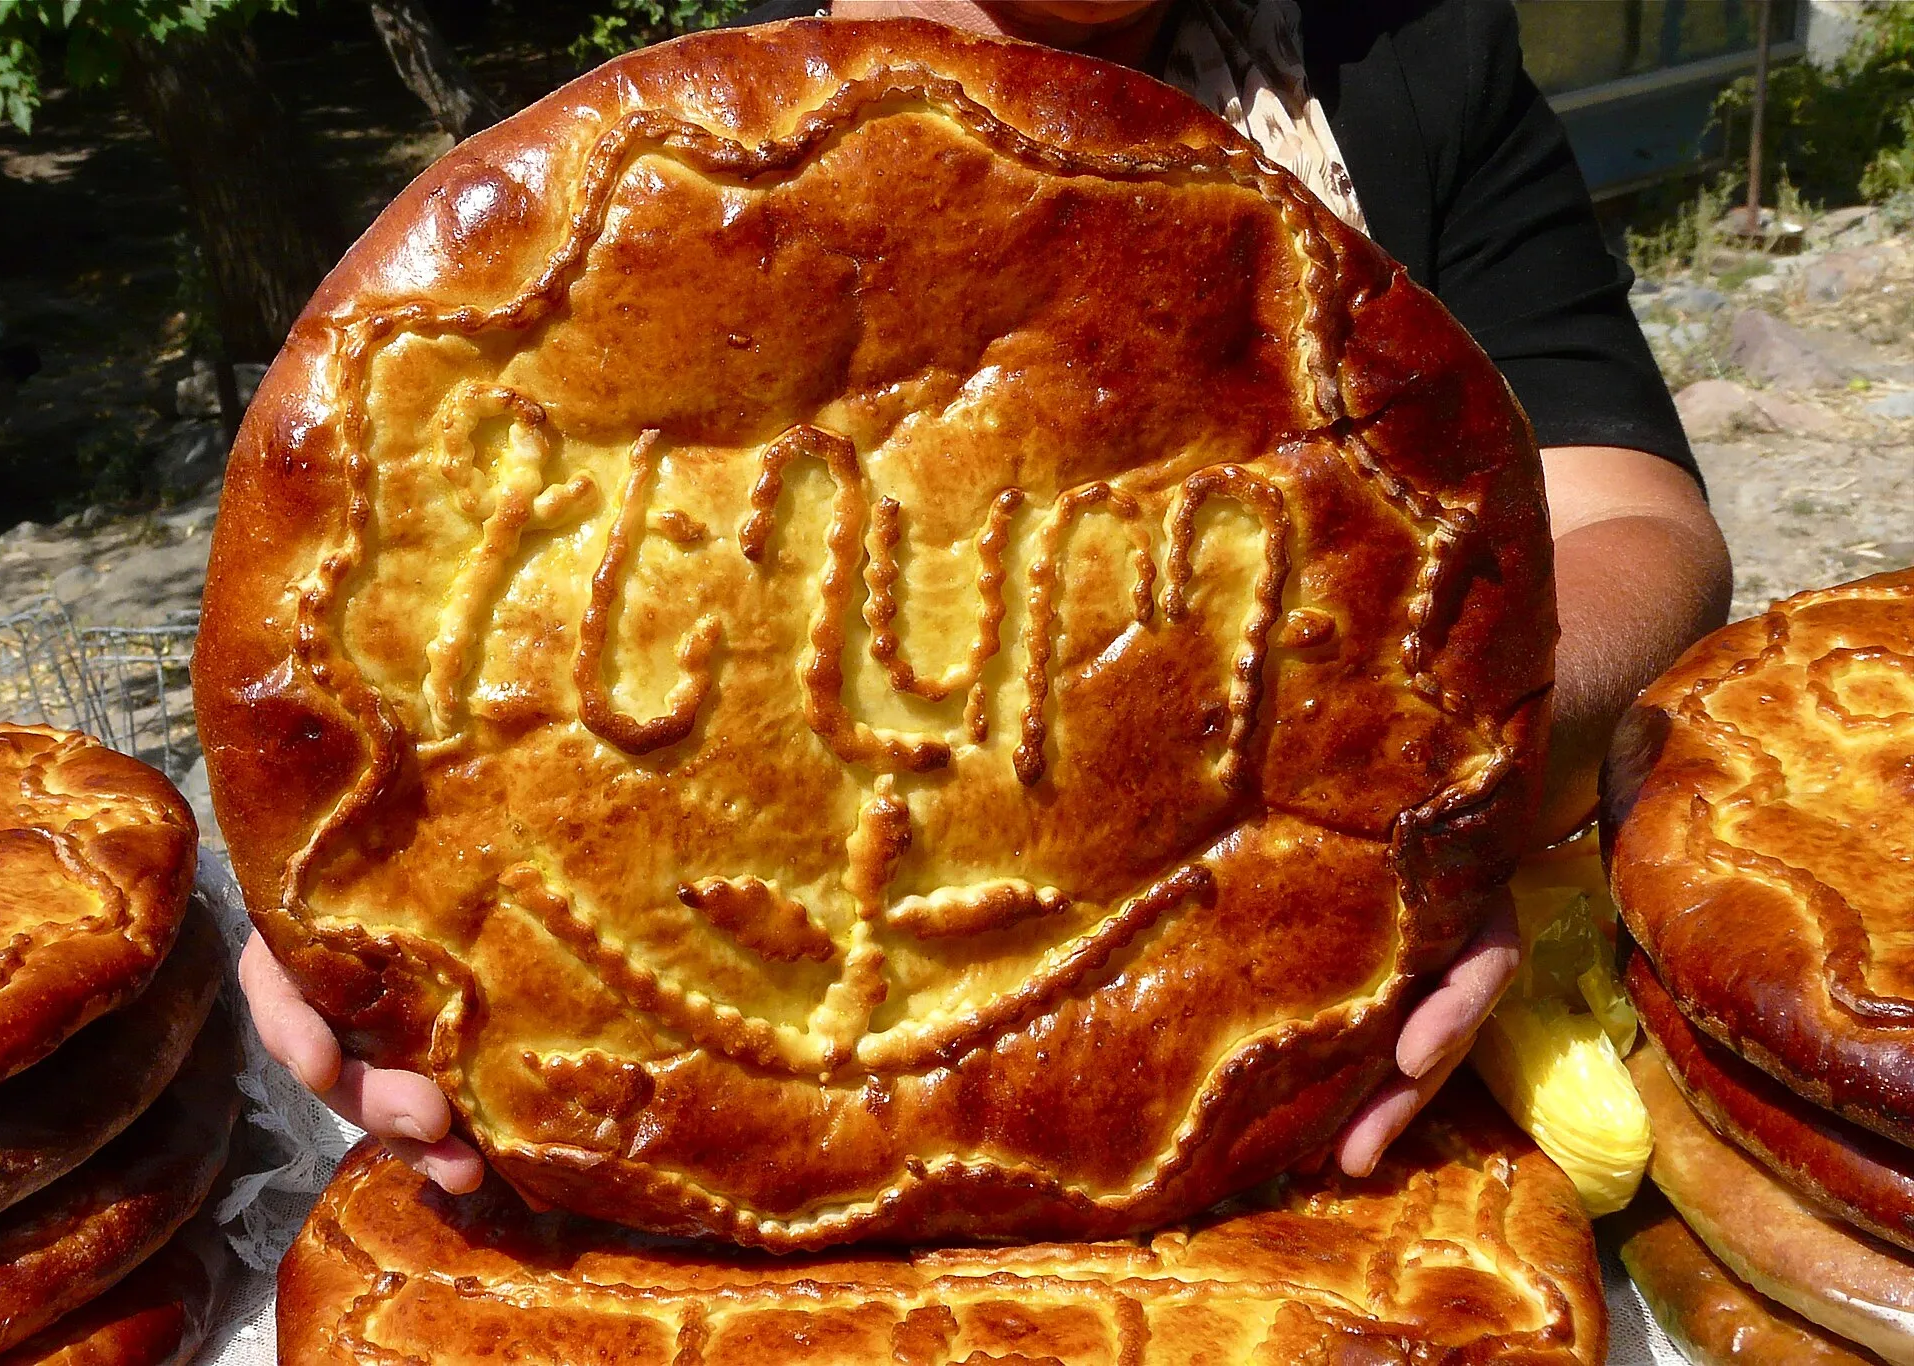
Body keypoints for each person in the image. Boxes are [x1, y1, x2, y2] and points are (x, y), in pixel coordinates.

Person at [241, 0, 1732, 1195]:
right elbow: (369, 646)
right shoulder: (683, 166)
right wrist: (343, 882)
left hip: (1312, 1123)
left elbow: (1644, 526)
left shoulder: (1405, 58)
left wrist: (1456, 796)